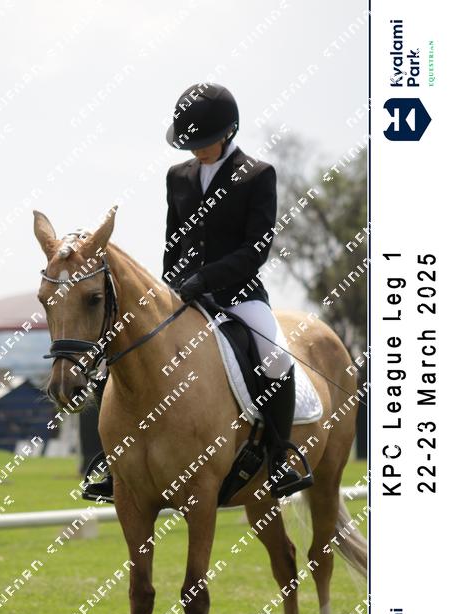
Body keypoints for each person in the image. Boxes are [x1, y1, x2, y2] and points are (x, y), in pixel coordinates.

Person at [83, 82, 311, 501]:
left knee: (276, 357)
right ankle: (115, 465)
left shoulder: (257, 174)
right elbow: (173, 242)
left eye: (204, 142)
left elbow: (255, 249)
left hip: (239, 296)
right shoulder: (178, 176)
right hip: (183, 296)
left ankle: (280, 457)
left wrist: (206, 279)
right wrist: (170, 285)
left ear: (229, 132)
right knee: (114, 361)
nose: (196, 150)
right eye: (190, 143)